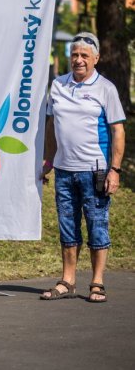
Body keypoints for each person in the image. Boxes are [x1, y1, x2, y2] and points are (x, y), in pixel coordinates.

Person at [40, 32, 125, 303]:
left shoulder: (106, 88)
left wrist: (115, 170)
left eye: (84, 56)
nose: (78, 60)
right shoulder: (58, 85)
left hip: (96, 170)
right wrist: (49, 161)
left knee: (97, 225)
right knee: (68, 226)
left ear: (96, 59)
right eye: (74, 55)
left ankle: (97, 282)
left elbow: (118, 131)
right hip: (64, 170)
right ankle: (68, 280)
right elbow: (52, 126)